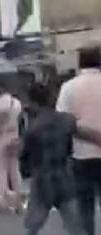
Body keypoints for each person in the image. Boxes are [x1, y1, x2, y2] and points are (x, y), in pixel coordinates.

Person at [20, 82, 84, 235]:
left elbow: (25, 158)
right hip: (64, 178)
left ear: (34, 103)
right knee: (75, 226)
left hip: (42, 181)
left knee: (33, 225)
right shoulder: (67, 121)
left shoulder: (33, 129)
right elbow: (69, 148)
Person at [57, 45, 101, 235]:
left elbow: (63, 123)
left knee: (85, 208)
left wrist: (89, 135)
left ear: (80, 63)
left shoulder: (69, 88)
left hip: (81, 156)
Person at [0, 79, 24, 213]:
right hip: (15, 136)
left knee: (1, 170)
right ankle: (19, 200)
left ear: (0, 88)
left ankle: (3, 201)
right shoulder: (17, 103)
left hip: (1, 137)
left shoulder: (0, 103)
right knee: (15, 170)